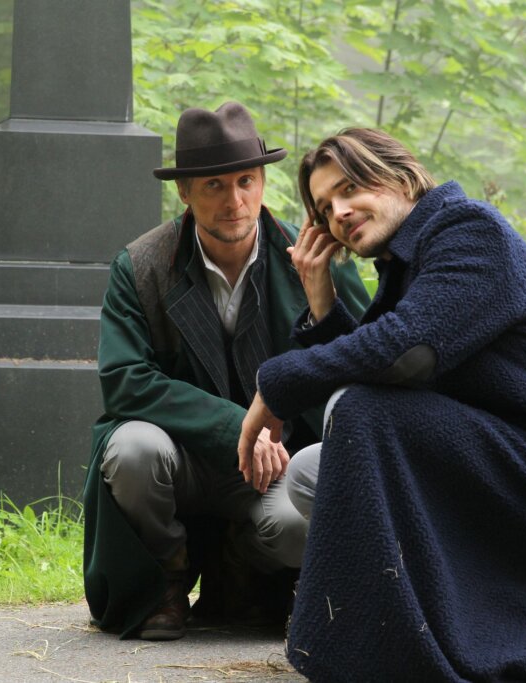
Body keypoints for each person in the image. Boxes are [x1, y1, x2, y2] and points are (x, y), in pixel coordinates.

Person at [239, 128, 526, 681]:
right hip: (510, 467)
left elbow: (406, 353)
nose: (339, 212)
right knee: (311, 470)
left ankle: (399, 635)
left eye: (350, 188)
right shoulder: (409, 263)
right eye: (324, 208)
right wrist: (321, 302)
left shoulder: (469, 230)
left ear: (401, 177)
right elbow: (389, 367)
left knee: (360, 412)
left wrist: (275, 384)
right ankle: (429, 620)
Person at [82, 103, 370, 642]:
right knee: (131, 449)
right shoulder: (141, 267)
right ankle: (166, 579)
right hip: (181, 458)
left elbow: (362, 361)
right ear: (184, 192)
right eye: (213, 185)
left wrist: (321, 303)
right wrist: (241, 424)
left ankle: (241, 571)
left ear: (262, 182)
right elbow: (124, 380)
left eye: (245, 181)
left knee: (298, 527)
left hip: (279, 465)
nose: (234, 201)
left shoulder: (313, 257)